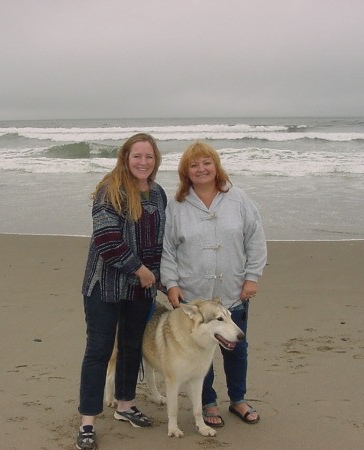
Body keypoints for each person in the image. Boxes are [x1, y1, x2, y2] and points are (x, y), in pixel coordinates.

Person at [160, 141, 267, 428]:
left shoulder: (239, 199)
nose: (201, 169)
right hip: (193, 296)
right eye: (193, 165)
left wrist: (252, 277)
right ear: (186, 172)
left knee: (236, 348)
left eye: (206, 163)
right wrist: (170, 283)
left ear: (216, 166)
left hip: (233, 290)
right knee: (199, 351)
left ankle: (238, 399)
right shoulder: (177, 205)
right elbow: (167, 249)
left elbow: (255, 238)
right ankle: (206, 402)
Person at [76, 133, 166, 450]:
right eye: (137, 156)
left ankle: (125, 405)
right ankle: (87, 421)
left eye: (149, 157)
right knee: (99, 351)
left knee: (131, 347)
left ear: (156, 161)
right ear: (125, 157)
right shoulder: (109, 190)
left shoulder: (157, 194)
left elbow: (159, 245)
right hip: (105, 286)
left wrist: (163, 280)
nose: (143, 162)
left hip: (140, 291)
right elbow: (108, 240)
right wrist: (141, 271)